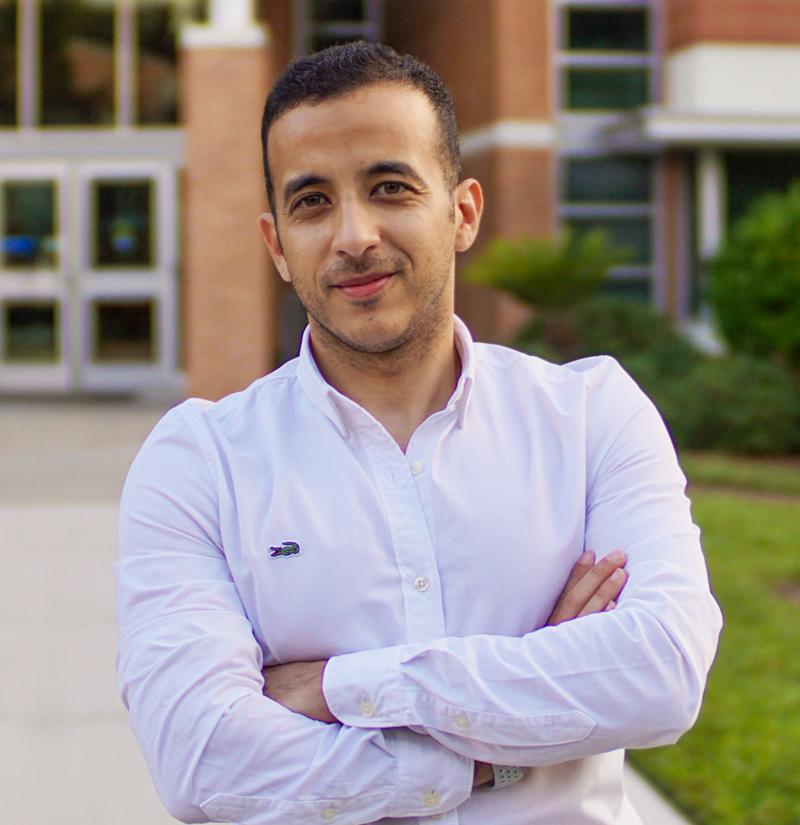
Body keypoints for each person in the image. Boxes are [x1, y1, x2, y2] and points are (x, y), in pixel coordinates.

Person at [115, 42, 722, 825]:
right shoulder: (199, 462)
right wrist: (509, 735)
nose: (354, 235)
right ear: (275, 245)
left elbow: (662, 671)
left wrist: (337, 687)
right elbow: (202, 761)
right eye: (311, 203)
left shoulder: (591, 415)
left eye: (390, 187)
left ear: (462, 211)